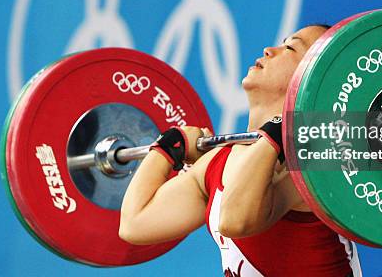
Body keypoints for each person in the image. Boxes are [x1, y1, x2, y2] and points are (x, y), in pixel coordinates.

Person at [119, 25, 360, 276]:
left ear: (315, 78)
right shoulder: (218, 161)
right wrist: (168, 148)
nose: (269, 50)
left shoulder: (311, 161)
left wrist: (278, 132)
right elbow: (135, 223)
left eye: (290, 48)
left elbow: (236, 221)